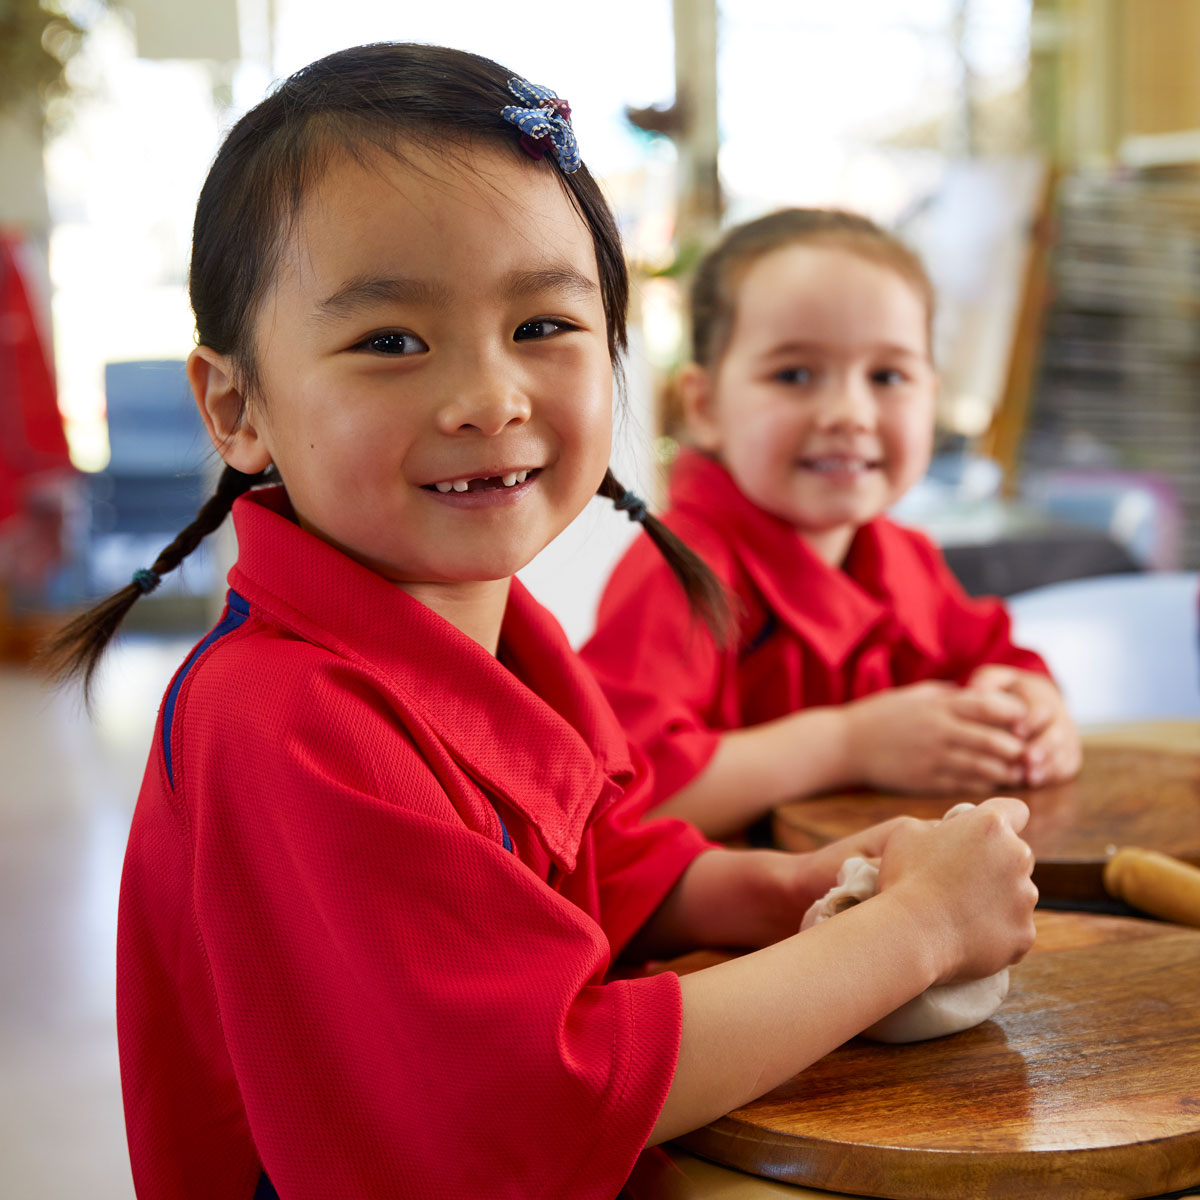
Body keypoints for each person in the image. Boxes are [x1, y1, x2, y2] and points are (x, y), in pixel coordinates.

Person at [42, 50, 1038, 1200]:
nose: (491, 398)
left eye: (544, 325)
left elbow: (595, 866)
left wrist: (795, 887)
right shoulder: (279, 718)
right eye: (392, 343)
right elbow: (532, 1095)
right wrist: (905, 936)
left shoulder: (507, 637)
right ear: (238, 406)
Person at [582, 209, 1081, 840]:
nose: (849, 412)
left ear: (934, 394)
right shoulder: (680, 574)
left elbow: (992, 656)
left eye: (887, 376)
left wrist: (1033, 708)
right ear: (705, 406)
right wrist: (850, 745)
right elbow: (621, 800)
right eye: (794, 375)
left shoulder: (903, 557)